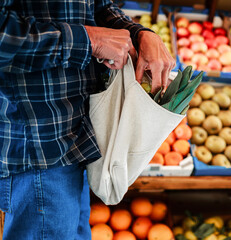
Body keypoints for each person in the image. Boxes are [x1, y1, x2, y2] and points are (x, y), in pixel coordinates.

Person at [0, 0, 175, 239]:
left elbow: (99, 7)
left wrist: (139, 34)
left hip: (79, 137)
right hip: (40, 146)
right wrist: (90, 40)